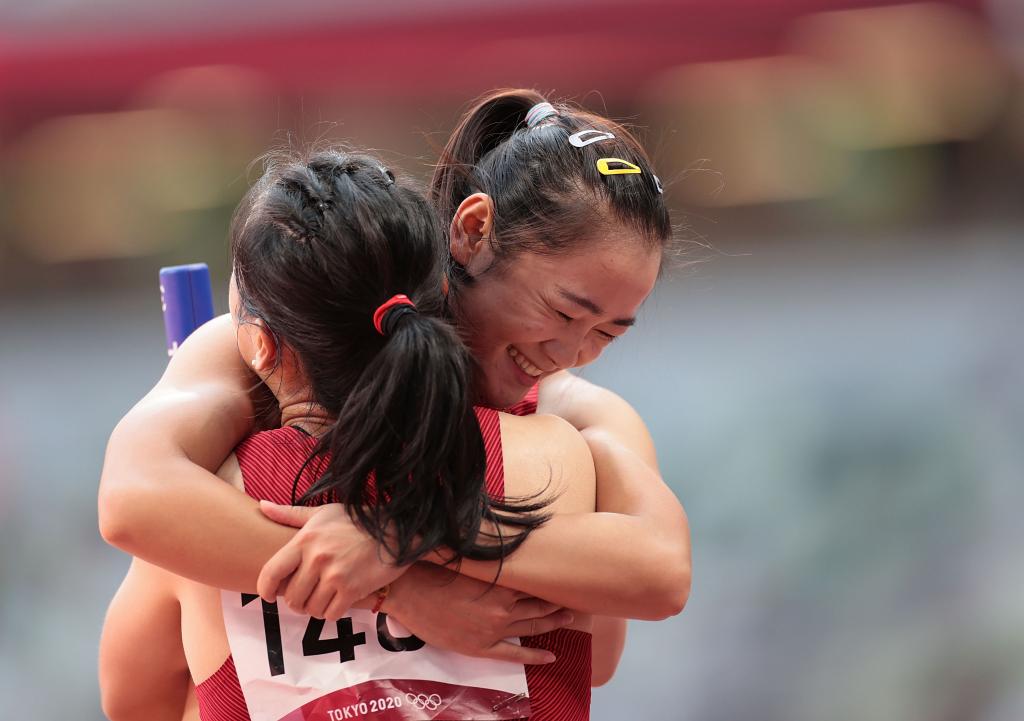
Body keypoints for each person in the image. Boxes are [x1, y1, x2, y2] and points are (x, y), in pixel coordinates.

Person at [98, 90, 691, 716]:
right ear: (471, 230)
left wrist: (399, 540)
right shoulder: (257, 349)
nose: (573, 351)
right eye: (565, 311)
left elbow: (655, 578)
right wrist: (400, 589)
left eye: (609, 332)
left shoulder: (572, 413)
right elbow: (132, 497)